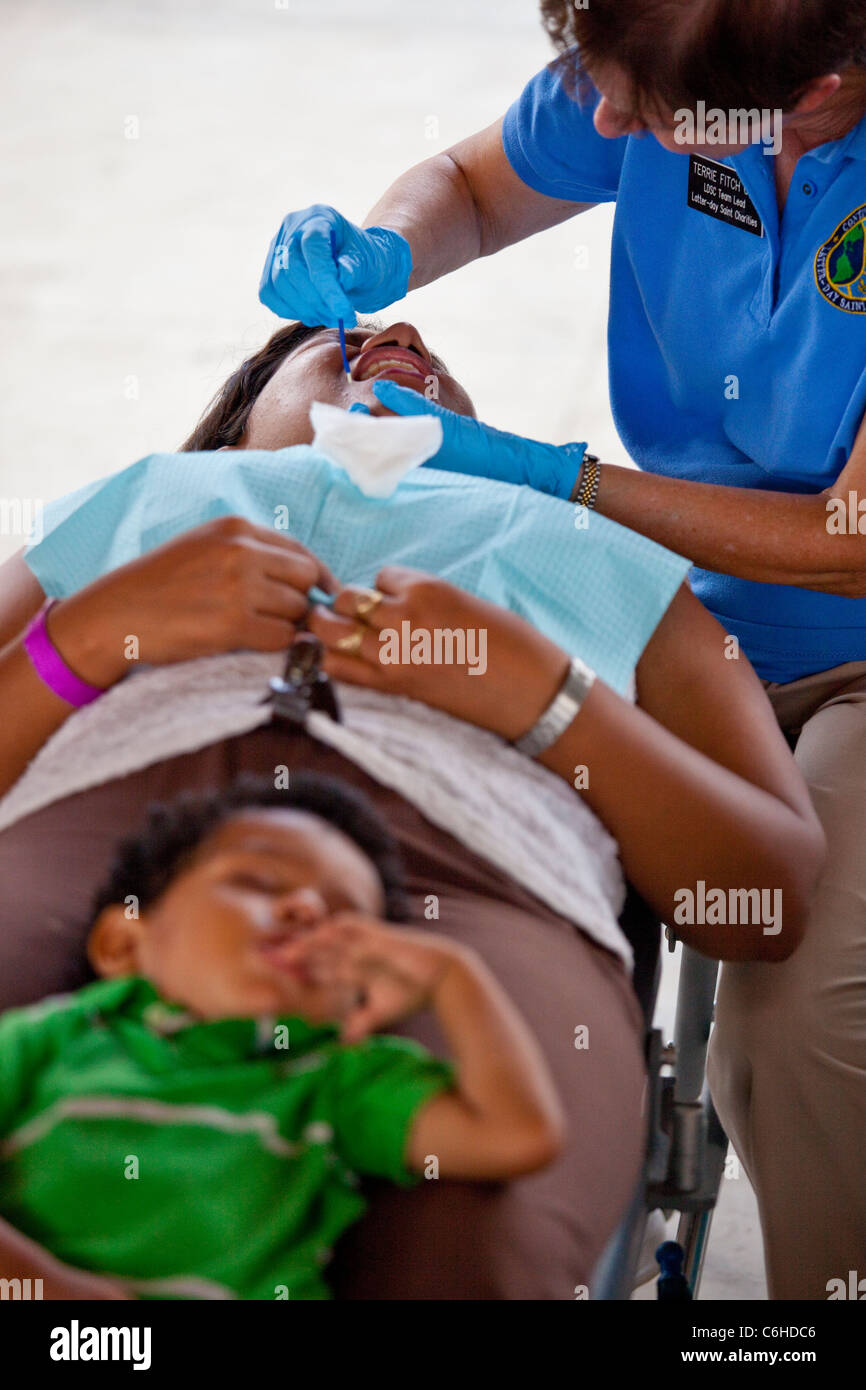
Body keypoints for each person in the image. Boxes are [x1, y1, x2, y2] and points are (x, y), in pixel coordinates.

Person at [0, 316, 823, 1297]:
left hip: (475, 868)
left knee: (475, 1241)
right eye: (333, 342)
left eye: (430, 350)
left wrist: (546, 701)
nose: (400, 329)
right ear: (241, 419)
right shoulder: (141, 500)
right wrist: (90, 637)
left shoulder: (595, 550)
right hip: (103, 813)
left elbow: (764, 898)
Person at [256, 0, 866, 1301]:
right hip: (692, 605)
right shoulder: (665, 65)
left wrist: (550, 479)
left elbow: (847, 539)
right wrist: (383, 249)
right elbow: (475, 183)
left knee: (794, 1020)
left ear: (814, 91)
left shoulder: (539, 558)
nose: (600, 123)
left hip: (842, 623)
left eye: (636, 109)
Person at [0, 773, 564, 1300]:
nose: (308, 908)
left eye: (345, 921)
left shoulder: (335, 1080)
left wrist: (453, 977)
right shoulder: (57, 1036)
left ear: (360, 998)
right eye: (259, 882)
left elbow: (516, 1134)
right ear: (124, 945)